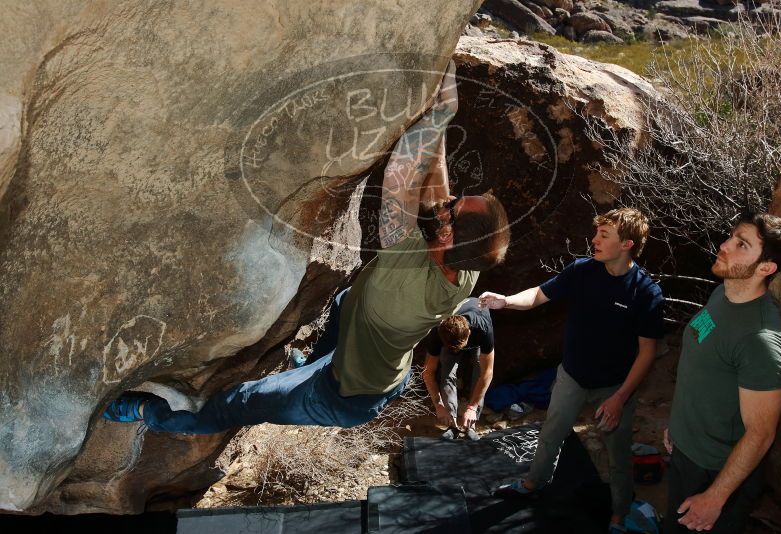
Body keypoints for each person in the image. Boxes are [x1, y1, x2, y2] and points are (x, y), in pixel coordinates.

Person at [101, 61, 511, 432]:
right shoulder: (468, 264)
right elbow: (438, 195)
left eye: (457, 208)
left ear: (447, 235)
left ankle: (144, 413)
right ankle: (314, 361)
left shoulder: (402, 279)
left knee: (234, 403)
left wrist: (442, 114)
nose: (453, 201)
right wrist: (438, 123)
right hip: (383, 368)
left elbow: (401, 179)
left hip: (342, 397)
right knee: (345, 301)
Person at [480, 207, 664, 532]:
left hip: (614, 387)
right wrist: (505, 301)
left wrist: (621, 398)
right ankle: (533, 483)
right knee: (550, 432)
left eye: (604, 235)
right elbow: (539, 295)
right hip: (572, 376)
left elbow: (647, 352)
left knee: (618, 455)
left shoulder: (646, 293)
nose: (594, 239)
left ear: (627, 244)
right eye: (597, 233)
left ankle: (619, 513)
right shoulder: (582, 270)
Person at [663, 213, 781, 534]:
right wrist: (678, 426)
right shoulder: (722, 293)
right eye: (731, 237)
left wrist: (715, 497)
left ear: (766, 268)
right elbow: (702, 364)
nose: (724, 245)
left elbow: (760, 433)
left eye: (741, 244)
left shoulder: (760, 340)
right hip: (685, 450)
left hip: (715, 473)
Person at [422, 297, 495, 441]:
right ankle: (453, 425)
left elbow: (488, 373)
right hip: (450, 334)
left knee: (479, 370)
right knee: (447, 370)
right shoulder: (437, 332)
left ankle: (470, 425)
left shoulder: (483, 327)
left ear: (469, 333)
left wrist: (472, 407)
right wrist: (439, 405)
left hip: (475, 332)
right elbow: (428, 372)